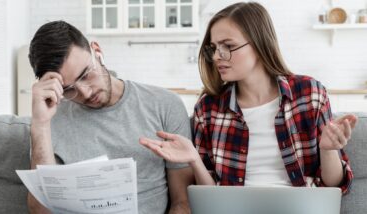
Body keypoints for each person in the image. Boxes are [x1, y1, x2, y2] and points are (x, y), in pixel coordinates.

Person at [140, 2, 357, 193]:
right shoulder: (208, 109)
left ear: (259, 43)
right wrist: (194, 160)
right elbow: (212, 199)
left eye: (229, 46)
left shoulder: (310, 93)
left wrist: (329, 150)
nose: (217, 56)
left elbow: (334, 185)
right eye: (214, 48)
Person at [27, 21, 194, 214]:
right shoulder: (49, 121)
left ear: (97, 51)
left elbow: (183, 203)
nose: (86, 93)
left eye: (85, 74)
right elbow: (40, 211)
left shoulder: (164, 104)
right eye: (69, 89)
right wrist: (40, 125)